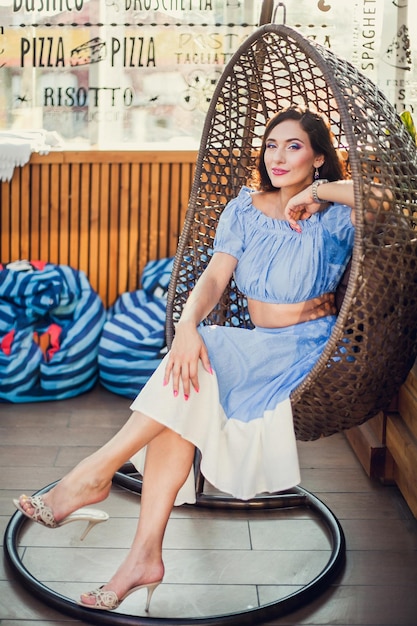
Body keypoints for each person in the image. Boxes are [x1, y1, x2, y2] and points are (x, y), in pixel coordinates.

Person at [15, 106, 364, 613]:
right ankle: (143, 556)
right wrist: (184, 328)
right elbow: (214, 280)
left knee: (200, 365)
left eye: (293, 146)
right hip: (254, 346)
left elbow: (390, 200)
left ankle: (94, 474)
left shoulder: (332, 213)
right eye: (271, 145)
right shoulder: (244, 208)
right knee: (188, 375)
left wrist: (319, 192)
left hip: (310, 348)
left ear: (317, 157)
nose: (278, 156)